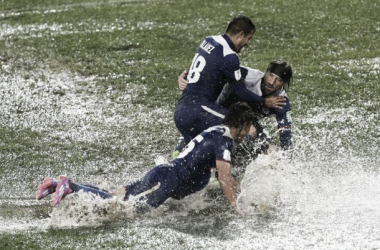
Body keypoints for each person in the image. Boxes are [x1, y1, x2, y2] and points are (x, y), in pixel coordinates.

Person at [36, 102, 256, 213]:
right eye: (248, 128)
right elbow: (225, 177)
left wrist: (238, 189)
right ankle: (70, 185)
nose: (247, 134)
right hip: (169, 181)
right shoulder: (224, 141)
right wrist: (236, 208)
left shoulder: (216, 130)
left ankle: (59, 183)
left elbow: (221, 174)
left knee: (117, 197)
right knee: (121, 210)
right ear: (242, 125)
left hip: (165, 172)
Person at [174, 15, 286, 152]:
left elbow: (207, 68)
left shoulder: (208, 40)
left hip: (182, 109)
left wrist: (184, 74)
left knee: (199, 156)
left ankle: (178, 157)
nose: (247, 43)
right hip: (199, 111)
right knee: (248, 129)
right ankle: (235, 166)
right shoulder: (230, 56)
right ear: (240, 35)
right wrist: (265, 101)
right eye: (248, 38)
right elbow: (240, 91)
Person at [177, 59, 294, 154]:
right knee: (247, 132)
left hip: (246, 123)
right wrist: (188, 74)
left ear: (284, 84)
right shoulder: (249, 75)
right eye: (270, 75)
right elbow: (217, 69)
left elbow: (286, 137)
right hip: (218, 112)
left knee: (271, 151)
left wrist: (287, 160)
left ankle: (235, 171)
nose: (271, 82)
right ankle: (183, 147)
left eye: (278, 80)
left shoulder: (281, 102)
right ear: (266, 73)